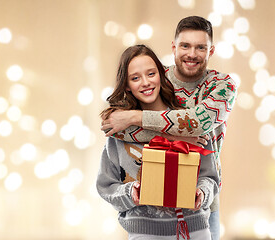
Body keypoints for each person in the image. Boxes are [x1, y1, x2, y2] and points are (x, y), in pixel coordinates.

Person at [100, 16, 238, 240]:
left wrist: (135, 117)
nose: (191, 54)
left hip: (201, 205)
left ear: (211, 51)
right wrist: (177, 138)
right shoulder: (155, 77)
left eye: (200, 47)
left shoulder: (221, 86)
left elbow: (198, 124)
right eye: (185, 45)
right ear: (174, 47)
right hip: (146, 217)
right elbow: (115, 124)